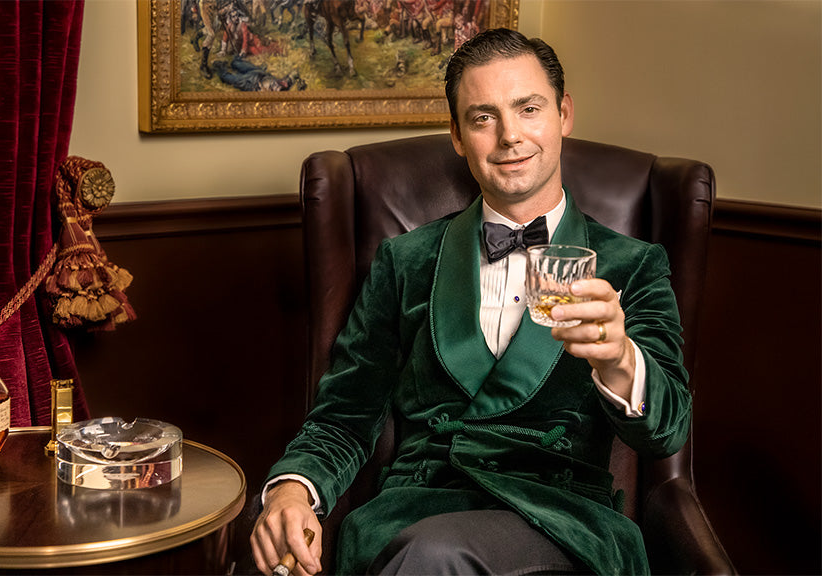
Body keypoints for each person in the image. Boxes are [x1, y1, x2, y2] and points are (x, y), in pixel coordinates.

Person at [250, 28, 692, 576]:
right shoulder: (405, 261)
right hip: (413, 514)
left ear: (563, 114)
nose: (510, 136)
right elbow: (345, 415)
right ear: (458, 136)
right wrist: (292, 490)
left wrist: (620, 359)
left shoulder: (633, 265)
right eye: (484, 118)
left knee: (434, 556)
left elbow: (668, 430)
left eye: (528, 109)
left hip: (564, 525)